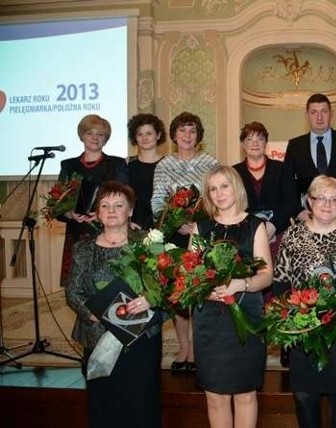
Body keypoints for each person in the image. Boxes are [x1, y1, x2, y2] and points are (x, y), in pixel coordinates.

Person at [273, 175, 336, 428]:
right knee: (305, 397)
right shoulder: (292, 235)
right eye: (321, 198)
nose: (327, 204)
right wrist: (299, 305)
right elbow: (280, 282)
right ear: (310, 200)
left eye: (335, 200)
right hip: (303, 328)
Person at [65, 181, 162, 428]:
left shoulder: (149, 244)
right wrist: (98, 315)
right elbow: (73, 292)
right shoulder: (83, 248)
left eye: (119, 205)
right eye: (105, 205)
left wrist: (149, 299)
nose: (111, 210)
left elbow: (167, 288)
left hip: (139, 340)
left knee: (140, 404)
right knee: (102, 405)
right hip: (97, 338)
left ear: (130, 210)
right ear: (97, 212)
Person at [192, 165, 273, 428]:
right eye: (212, 189)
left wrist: (240, 284)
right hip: (209, 320)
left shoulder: (255, 225)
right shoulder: (200, 227)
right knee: (214, 395)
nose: (218, 193)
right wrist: (205, 288)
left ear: (236, 187)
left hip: (246, 315)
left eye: (224, 186)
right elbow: (190, 275)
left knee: (245, 393)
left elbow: (266, 275)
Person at [150, 111, 220, 372]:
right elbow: (157, 202)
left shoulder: (211, 162)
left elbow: (219, 196)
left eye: (192, 131)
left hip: (203, 235)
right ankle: (184, 349)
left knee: (201, 288)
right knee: (178, 294)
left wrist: (199, 225)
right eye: (182, 131)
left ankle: (201, 349)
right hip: (175, 236)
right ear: (174, 135)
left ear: (198, 136)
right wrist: (178, 224)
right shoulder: (164, 165)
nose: (187, 136)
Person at [57, 114, 128, 287]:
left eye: (100, 134)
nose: (95, 137)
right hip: (77, 234)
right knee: (78, 287)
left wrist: (101, 215)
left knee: (108, 285)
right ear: (82, 135)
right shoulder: (68, 165)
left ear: (106, 139)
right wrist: (69, 213)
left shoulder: (116, 164)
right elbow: (57, 204)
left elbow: (125, 198)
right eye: (90, 133)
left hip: (108, 232)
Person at [282, 93, 336, 231]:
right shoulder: (295, 145)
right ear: (307, 115)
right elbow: (287, 184)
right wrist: (298, 212)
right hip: (308, 219)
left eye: (324, 111)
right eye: (314, 112)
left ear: (331, 114)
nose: (319, 117)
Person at [232, 121, 293, 256]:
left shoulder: (282, 169)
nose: (255, 144)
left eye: (260, 139)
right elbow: (232, 205)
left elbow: (290, 202)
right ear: (243, 144)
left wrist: (272, 227)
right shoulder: (233, 173)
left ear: (266, 143)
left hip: (279, 234)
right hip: (244, 236)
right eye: (249, 139)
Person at [127, 113, 167, 230]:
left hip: (163, 225)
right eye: (140, 134)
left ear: (158, 135)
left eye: (149, 133)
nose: (144, 138)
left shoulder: (169, 164)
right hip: (134, 226)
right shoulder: (126, 164)